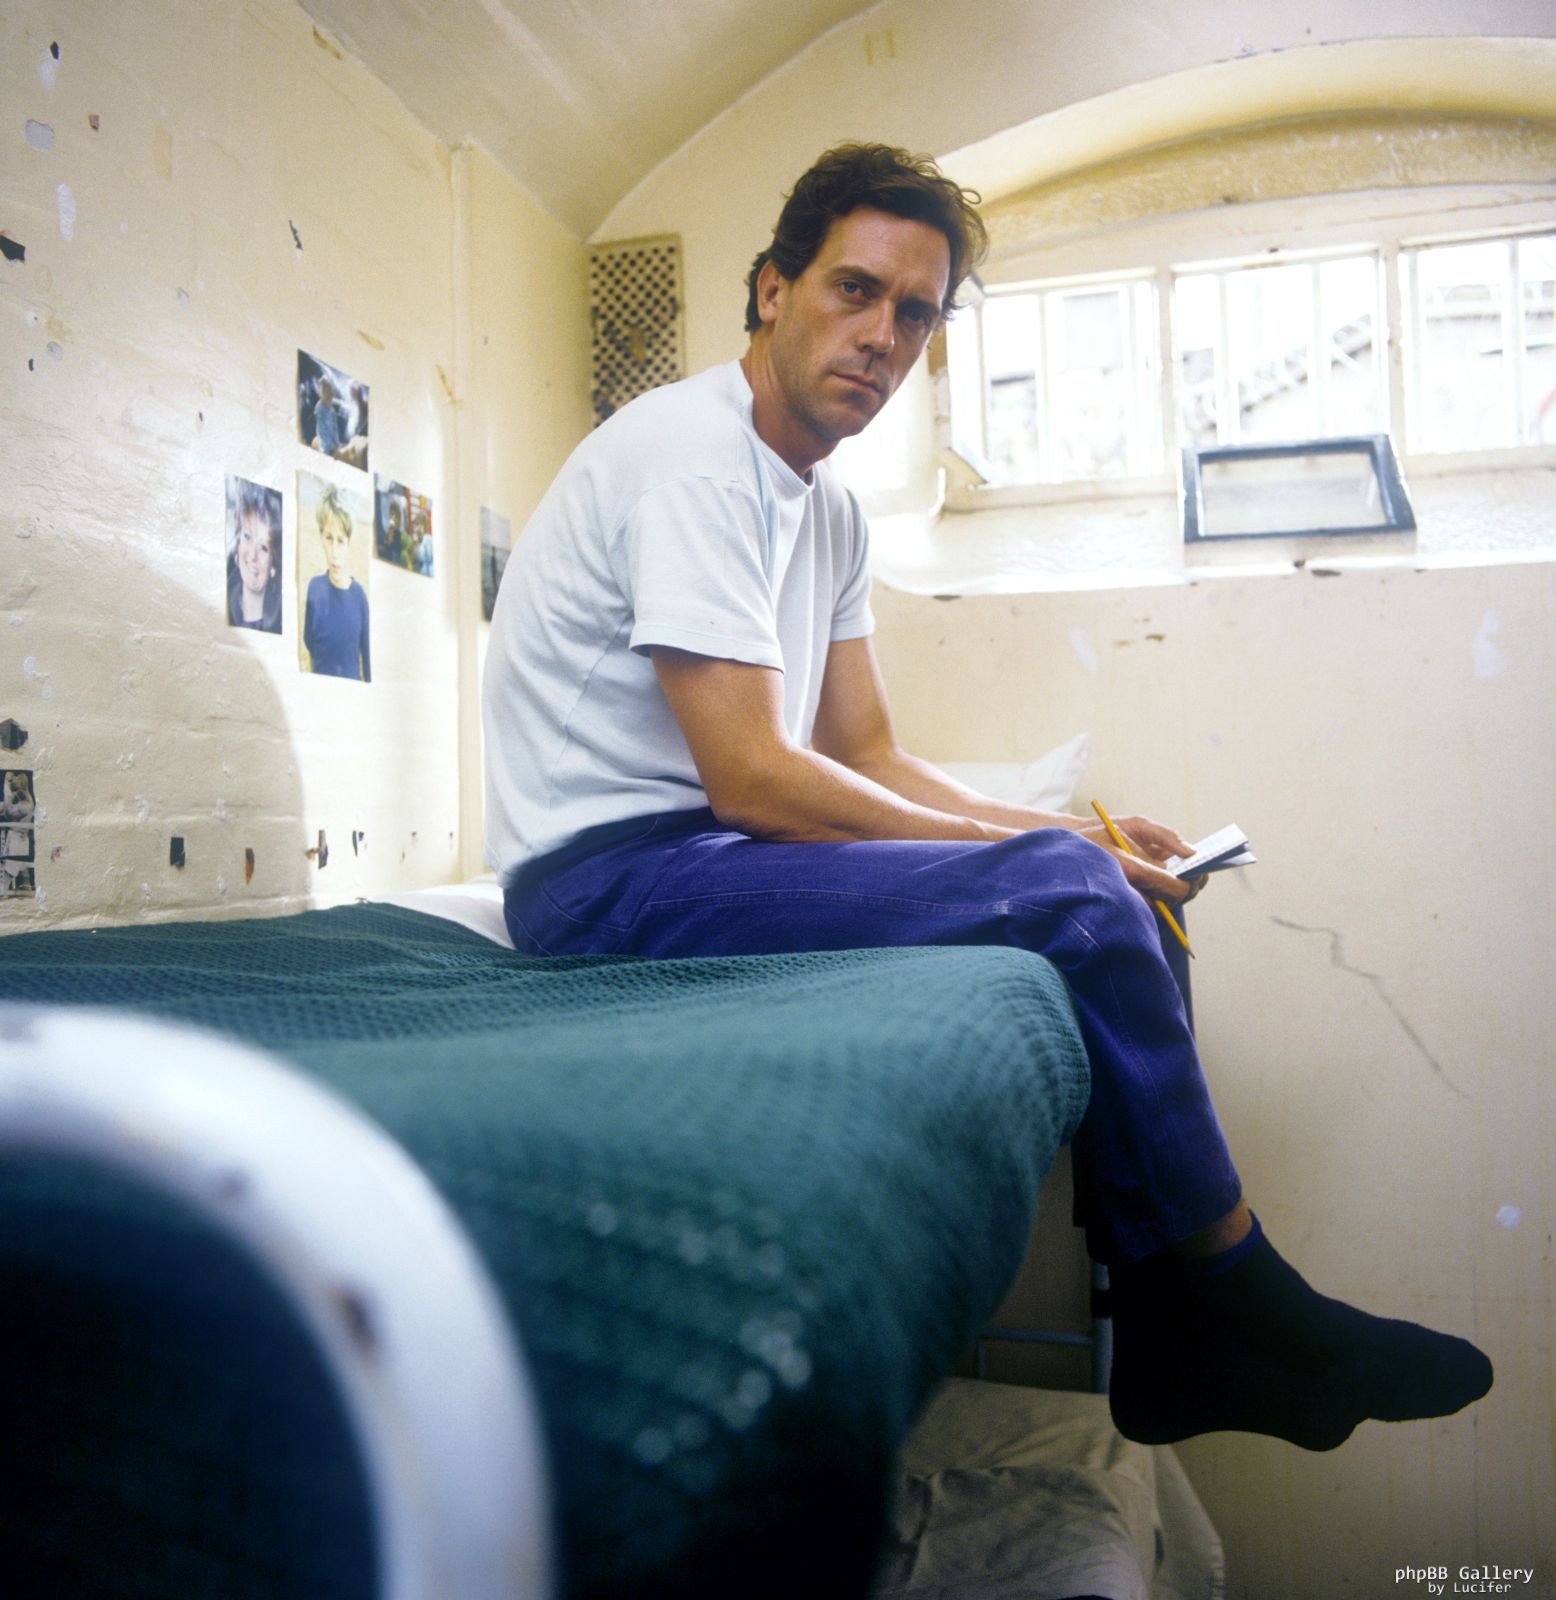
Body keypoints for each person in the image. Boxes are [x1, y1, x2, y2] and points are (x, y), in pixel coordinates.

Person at [481, 143, 1492, 1451]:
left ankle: (1164, 1321)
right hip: (602, 883)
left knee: (1119, 887)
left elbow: (871, 754)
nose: (881, 338)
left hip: (702, 853)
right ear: (772, 289)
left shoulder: (829, 511)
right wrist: (1046, 863)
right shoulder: (691, 455)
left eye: (915, 314)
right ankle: (1236, 1295)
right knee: (1071, 894)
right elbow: (756, 776)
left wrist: (1074, 831)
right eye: (854, 290)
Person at [302, 483, 370, 681]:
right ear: (321, 538)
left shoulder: (359, 597)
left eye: (341, 541)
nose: (334, 553)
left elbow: (367, 662)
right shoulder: (314, 588)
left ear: (349, 542)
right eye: (328, 538)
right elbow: (310, 644)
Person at [226, 480, 283, 634]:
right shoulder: (223, 601)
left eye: (264, 548)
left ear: (273, 565)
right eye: (247, 536)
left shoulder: (278, 624)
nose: (253, 555)